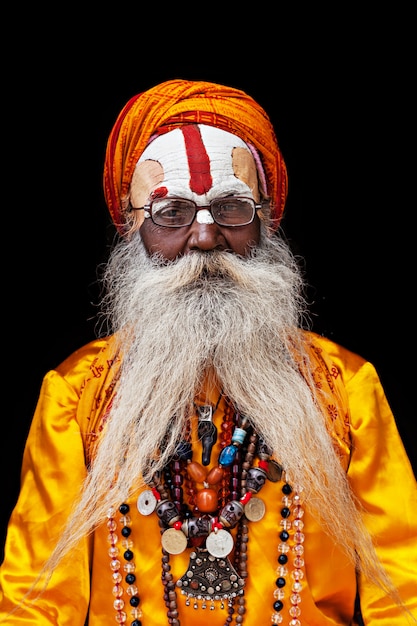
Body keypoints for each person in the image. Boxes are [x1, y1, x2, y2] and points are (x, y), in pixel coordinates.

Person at [0, 79, 416, 626]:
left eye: (229, 207)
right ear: (131, 229)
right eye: (171, 212)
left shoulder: (344, 387)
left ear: (267, 219)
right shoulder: (77, 394)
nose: (203, 237)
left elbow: (405, 593)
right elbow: (35, 604)